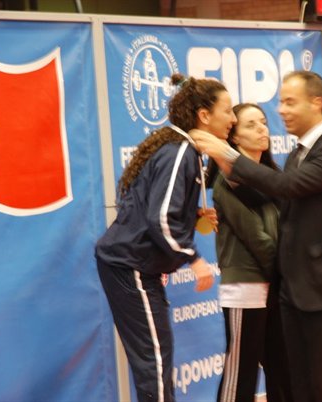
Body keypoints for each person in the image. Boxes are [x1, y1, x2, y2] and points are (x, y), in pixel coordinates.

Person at [192, 70, 322, 402]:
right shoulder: (299, 153)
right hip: (295, 293)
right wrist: (215, 207)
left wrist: (224, 153)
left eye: (289, 102)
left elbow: (286, 188)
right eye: (280, 102)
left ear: (316, 103)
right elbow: (277, 200)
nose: (281, 111)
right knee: (297, 385)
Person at [95, 74, 234, 402]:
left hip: (133, 265)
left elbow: (152, 208)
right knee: (154, 363)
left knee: (156, 359)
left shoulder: (178, 147)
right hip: (131, 265)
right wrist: (194, 257)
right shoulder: (180, 151)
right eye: (227, 111)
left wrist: (193, 217)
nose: (232, 118)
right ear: (203, 115)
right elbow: (159, 219)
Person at [209, 103, 293, 402]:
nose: (261, 129)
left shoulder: (272, 176)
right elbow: (255, 237)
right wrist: (286, 271)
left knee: (284, 370)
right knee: (241, 374)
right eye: (250, 125)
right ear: (234, 138)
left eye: (263, 122)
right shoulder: (226, 180)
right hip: (247, 286)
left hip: (276, 284)